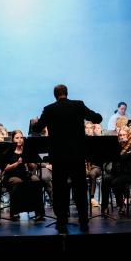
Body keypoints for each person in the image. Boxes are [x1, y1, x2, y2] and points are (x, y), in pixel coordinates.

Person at [32, 84, 102, 233]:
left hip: (58, 156)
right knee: (80, 188)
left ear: (55, 95)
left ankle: (62, 222)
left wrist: (36, 123)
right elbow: (97, 118)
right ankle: (83, 221)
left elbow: (37, 129)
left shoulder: (49, 109)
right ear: (67, 93)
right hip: (77, 155)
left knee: (60, 190)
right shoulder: (78, 105)